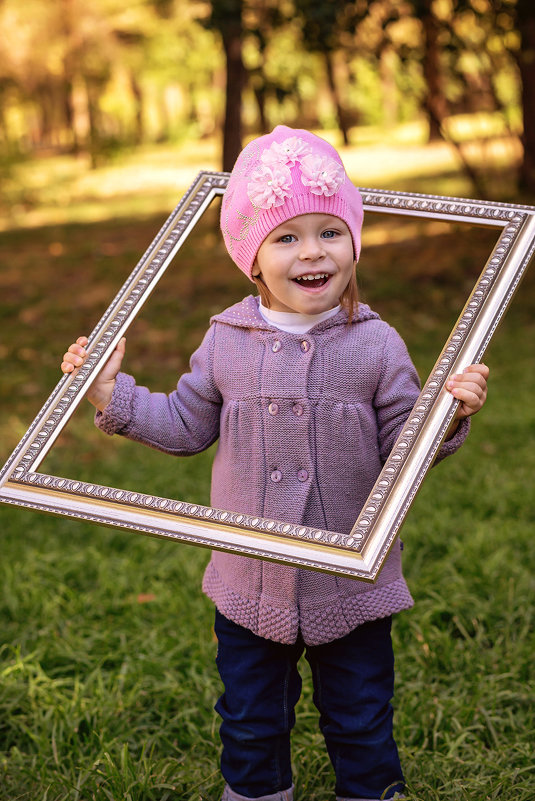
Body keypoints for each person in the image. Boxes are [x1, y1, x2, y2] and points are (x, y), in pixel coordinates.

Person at [61, 126, 489, 801]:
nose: (312, 251)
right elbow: (185, 423)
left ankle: (371, 789)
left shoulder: (375, 343)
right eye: (286, 236)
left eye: (330, 231)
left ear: (354, 241)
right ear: (251, 258)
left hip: (349, 584)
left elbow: (401, 448)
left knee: (360, 716)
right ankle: (258, 791)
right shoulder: (225, 339)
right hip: (247, 584)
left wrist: (448, 416)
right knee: (250, 719)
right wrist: (114, 394)